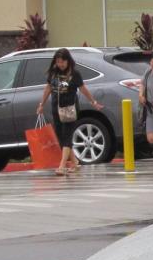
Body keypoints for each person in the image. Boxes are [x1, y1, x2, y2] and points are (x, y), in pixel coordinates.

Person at [36, 48, 103, 176]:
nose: (60, 64)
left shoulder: (74, 74)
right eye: (58, 62)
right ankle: (75, 162)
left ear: (68, 61)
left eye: (62, 62)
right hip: (56, 108)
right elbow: (48, 88)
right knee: (61, 137)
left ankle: (62, 165)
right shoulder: (53, 73)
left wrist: (93, 102)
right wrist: (41, 104)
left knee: (67, 136)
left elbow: (83, 89)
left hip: (70, 109)